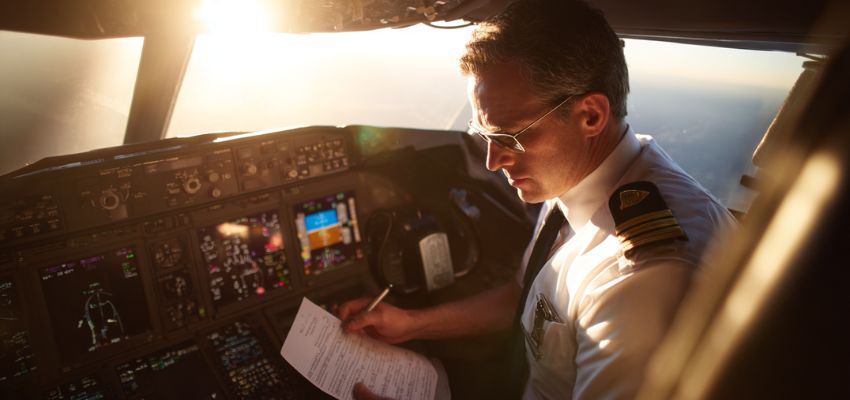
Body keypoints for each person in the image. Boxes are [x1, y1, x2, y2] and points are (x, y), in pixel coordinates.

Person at [339, 0, 735, 398]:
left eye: (510, 136)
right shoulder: (579, 175)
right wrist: (411, 323)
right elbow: (524, 294)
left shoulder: (640, 280)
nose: (494, 161)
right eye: (484, 135)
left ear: (591, 116)